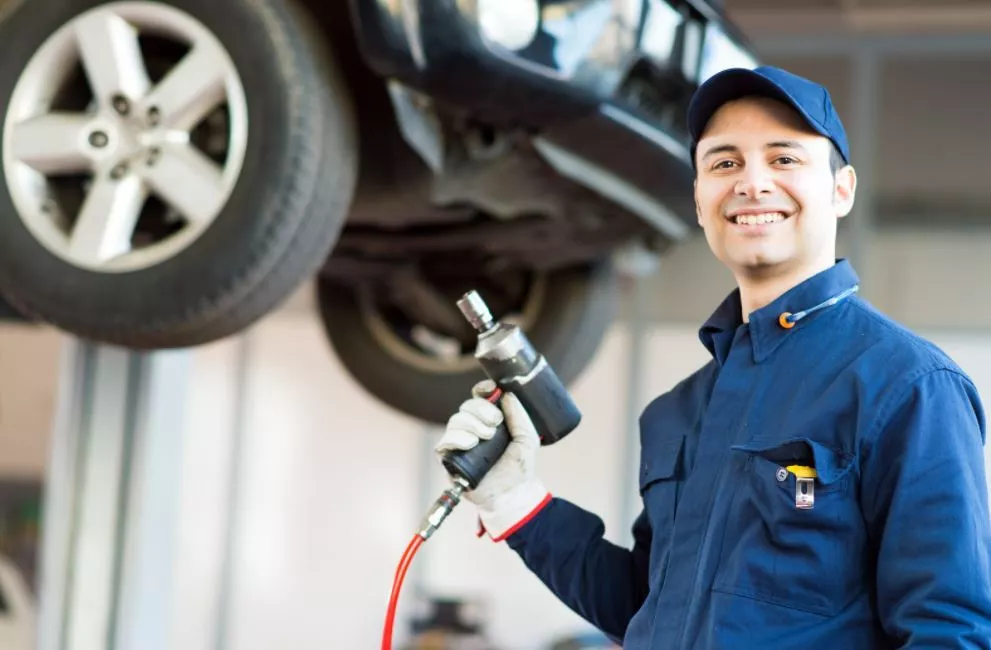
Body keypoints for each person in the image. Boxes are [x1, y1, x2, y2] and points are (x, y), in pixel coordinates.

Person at [435, 65, 991, 648]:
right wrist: (513, 501)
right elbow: (645, 608)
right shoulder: (676, 411)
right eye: (724, 163)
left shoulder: (906, 386)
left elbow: (947, 631)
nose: (752, 183)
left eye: (784, 159)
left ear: (841, 189)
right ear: (700, 201)